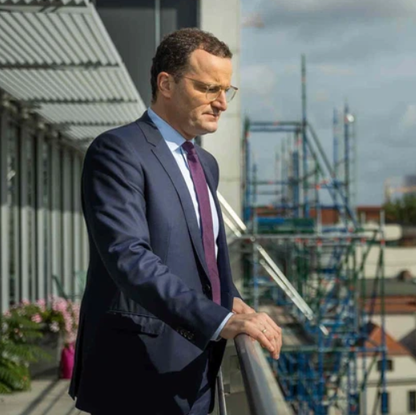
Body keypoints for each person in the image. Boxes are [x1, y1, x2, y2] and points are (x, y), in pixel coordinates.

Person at [70, 29, 283, 415]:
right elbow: (129, 257)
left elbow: (208, 260)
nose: (221, 103)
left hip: (198, 370)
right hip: (137, 374)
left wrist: (235, 305)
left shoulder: (206, 164)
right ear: (166, 84)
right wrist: (218, 320)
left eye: (226, 90)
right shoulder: (117, 151)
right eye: (207, 88)